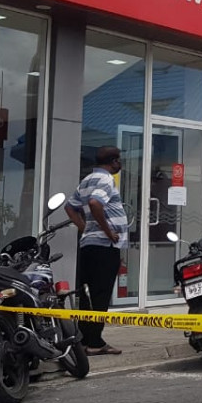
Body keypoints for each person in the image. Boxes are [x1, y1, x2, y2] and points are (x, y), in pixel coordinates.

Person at [66, 146, 129, 356]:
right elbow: (95, 203)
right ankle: (95, 343)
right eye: (118, 161)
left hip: (89, 246)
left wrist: (85, 229)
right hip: (105, 247)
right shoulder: (106, 180)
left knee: (87, 295)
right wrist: (108, 232)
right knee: (100, 296)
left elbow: (70, 207)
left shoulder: (87, 179)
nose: (120, 164)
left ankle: (86, 340)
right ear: (113, 162)